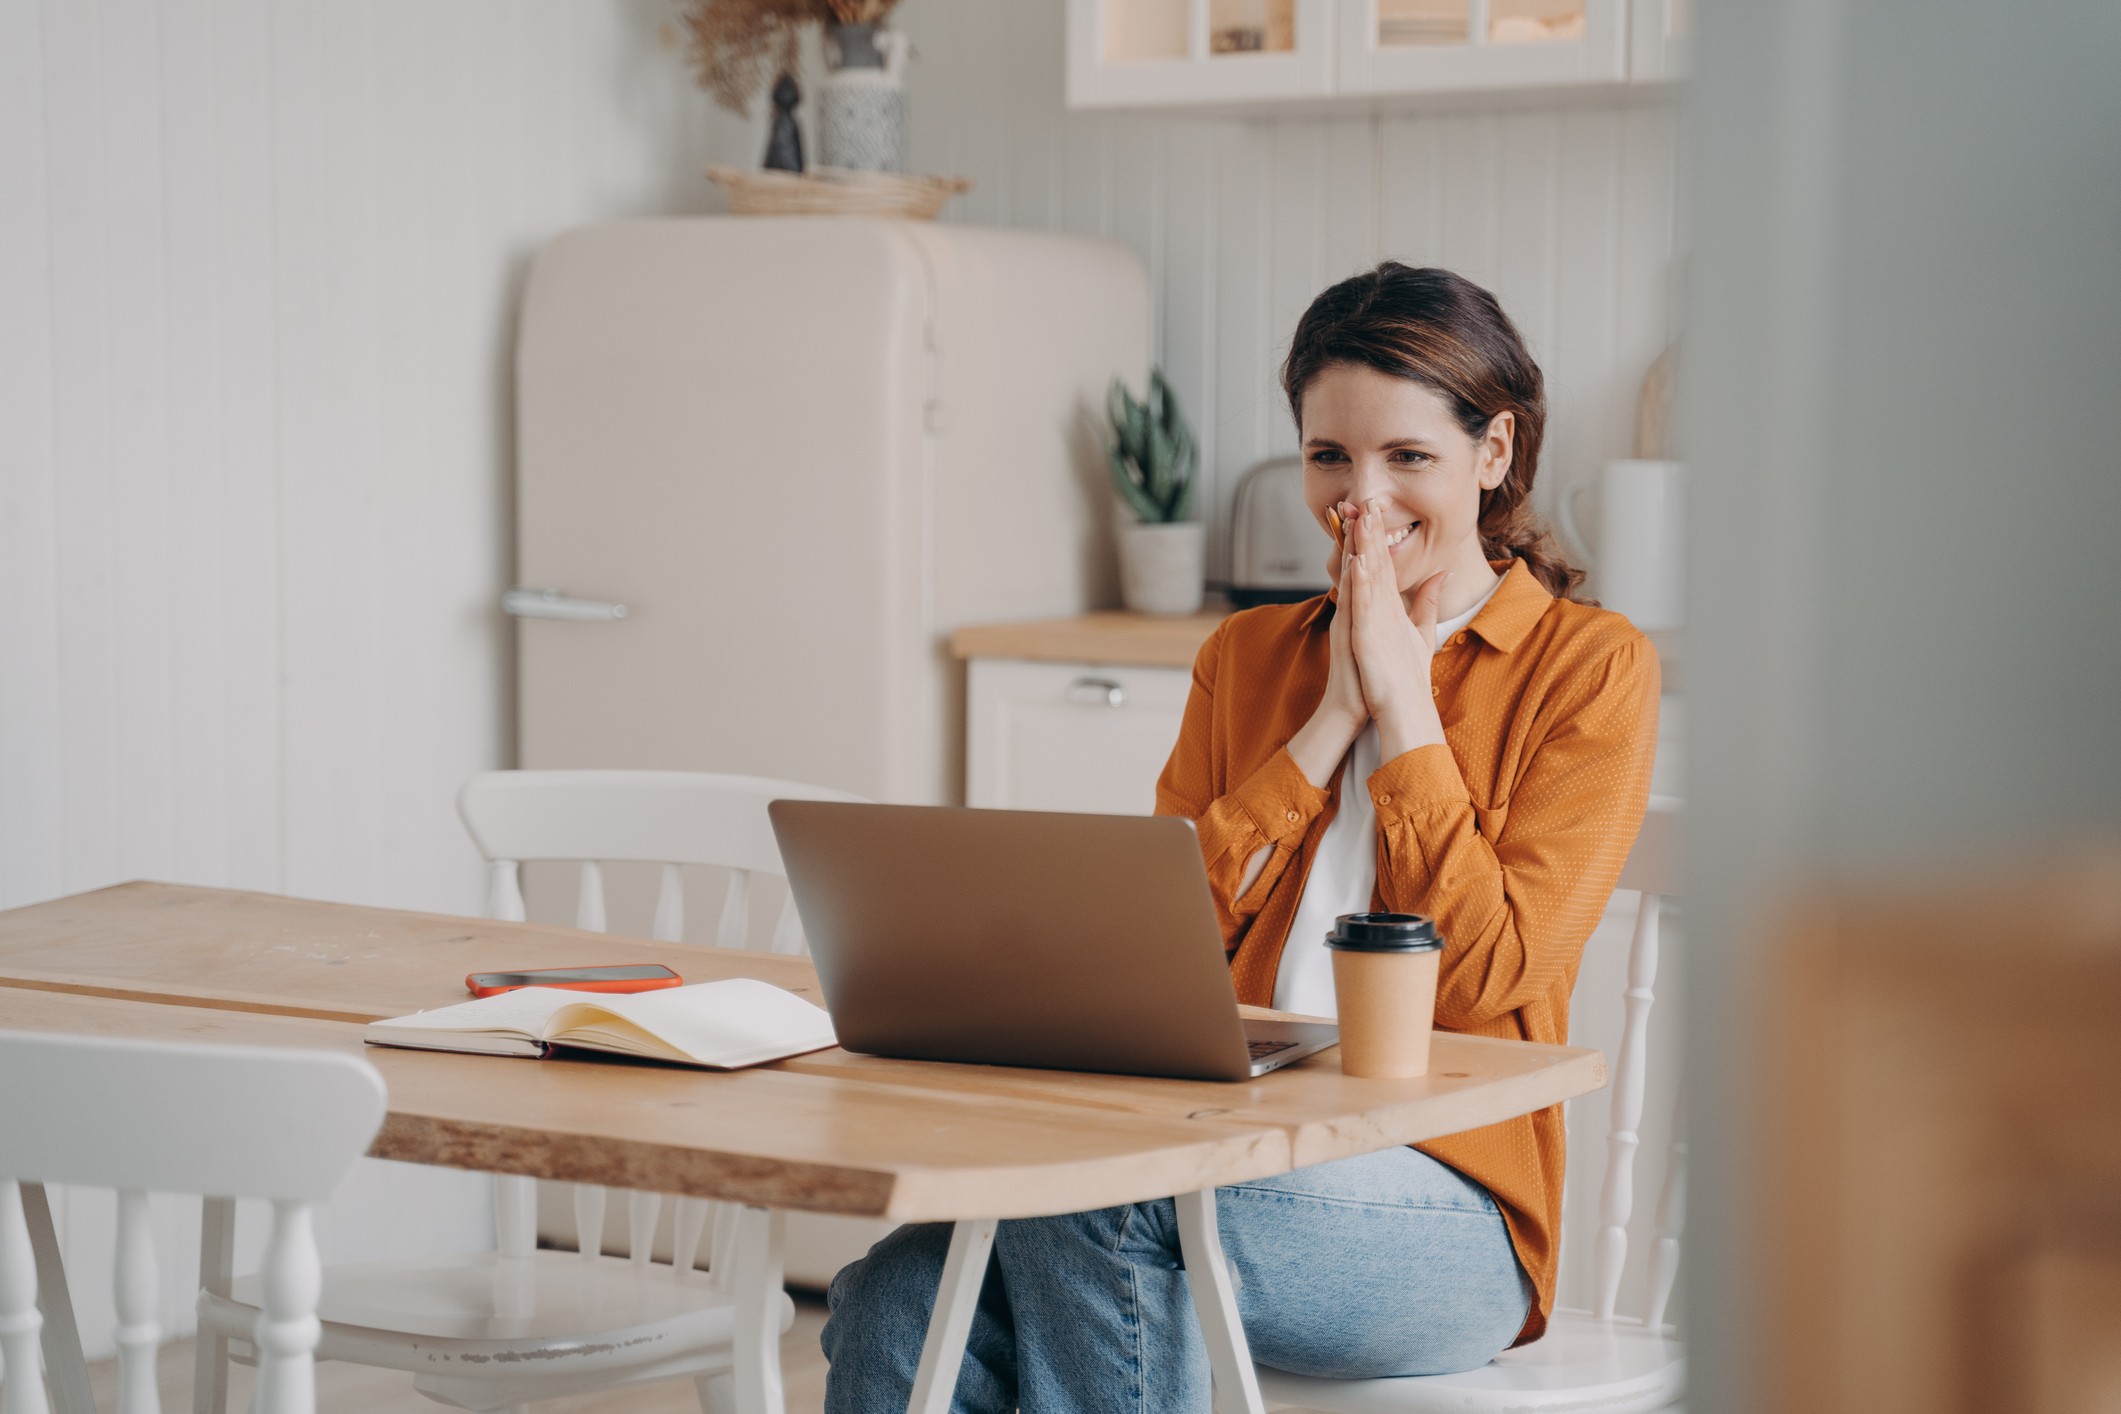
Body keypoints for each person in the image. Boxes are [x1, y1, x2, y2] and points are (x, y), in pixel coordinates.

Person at [819, 264, 1661, 1413]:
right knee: (893, 1291)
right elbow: (1153, 944)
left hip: (1451, 1214)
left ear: (1495, 453)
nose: (1360, 499)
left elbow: (1493, 972)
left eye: (1408, 457)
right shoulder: (1249, 657)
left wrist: (1407, 707)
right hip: (1227, 1140)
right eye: (1330, 458)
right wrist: (1329, 719)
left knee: (1103, 1195)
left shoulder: (1590, 666)